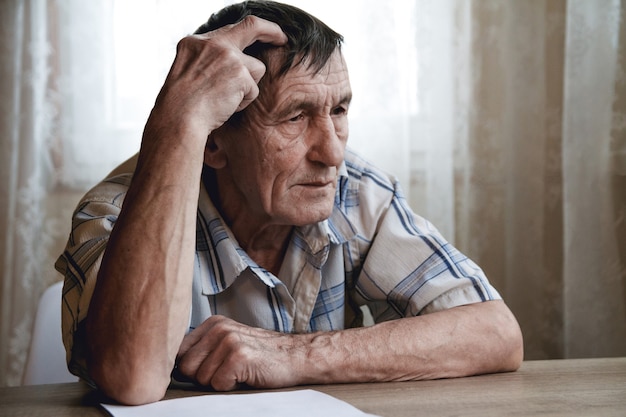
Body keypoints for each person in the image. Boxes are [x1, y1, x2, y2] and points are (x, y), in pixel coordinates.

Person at [55, 0, 523, 406]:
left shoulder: (352, 190)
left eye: (339, 110)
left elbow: (496, 335)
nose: (332, 153)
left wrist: (291, 354)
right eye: (295, 117)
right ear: (213, 144)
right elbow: (131, 378)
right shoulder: (114, 210)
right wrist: (178, 122)